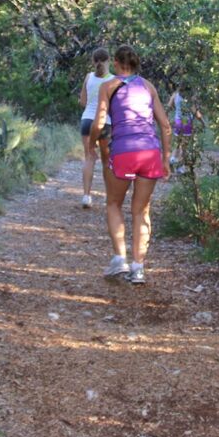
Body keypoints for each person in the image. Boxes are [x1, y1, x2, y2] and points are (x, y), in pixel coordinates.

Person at [90, 45, 172, 284]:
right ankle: (138, 268)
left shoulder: (108, 86)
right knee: (142, 210)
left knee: (114, 203)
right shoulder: (148, 86)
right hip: (149, 152)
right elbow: (165, 125)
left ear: (116, 63)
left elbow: (99, 122)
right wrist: (166, 157)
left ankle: (120, 260)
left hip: (124, 151)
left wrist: (91, 144)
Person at [78, 47, 114, 208]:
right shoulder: (114, 80)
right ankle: (109, 198)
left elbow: (83, 102)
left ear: (93, 61)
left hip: (87, 121)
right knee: (107, 162)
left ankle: (86, 196)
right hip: (105, 122)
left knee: (89, 158)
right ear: (109, 61)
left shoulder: (88, 77)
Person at [166, 84, 203, 174]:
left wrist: (166, 116)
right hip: (186, 121)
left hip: (178, 121)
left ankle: (173, 159)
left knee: (178, 143)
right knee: (184, 145)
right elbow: (195, 111)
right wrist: (202, 121)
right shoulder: (189, 98)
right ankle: (180, 167)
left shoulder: (175, 95)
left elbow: (169, 106)